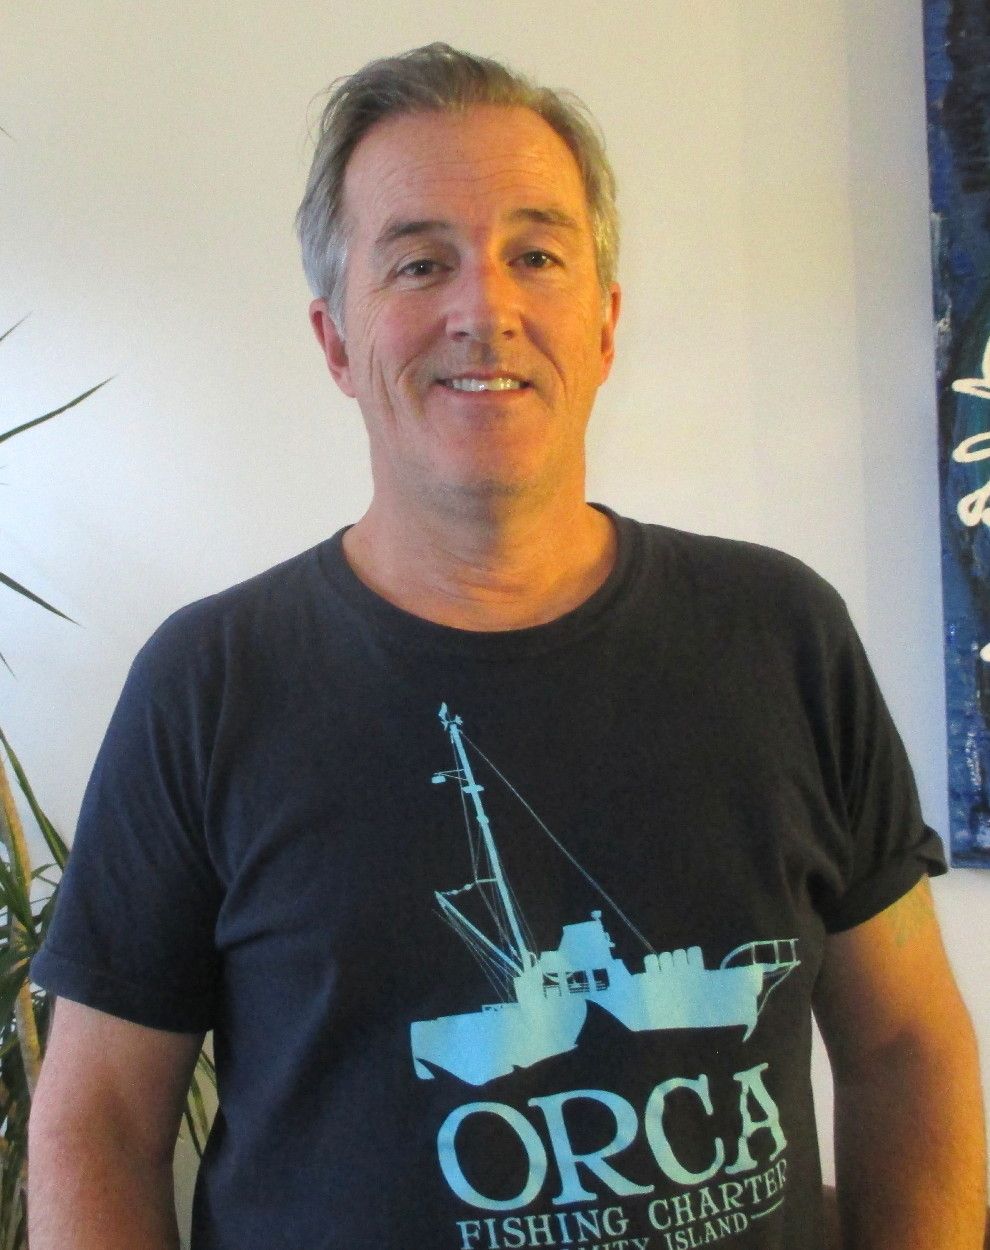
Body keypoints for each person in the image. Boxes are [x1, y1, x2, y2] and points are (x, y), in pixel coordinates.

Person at [28, 42, 985, 1250]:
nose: (485, 310)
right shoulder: (209, 685)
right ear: (336, 341)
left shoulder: (783, 634)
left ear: (605, 323)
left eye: (536, 255)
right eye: (419, 262)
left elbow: (905, 1046)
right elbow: (98, 1125)